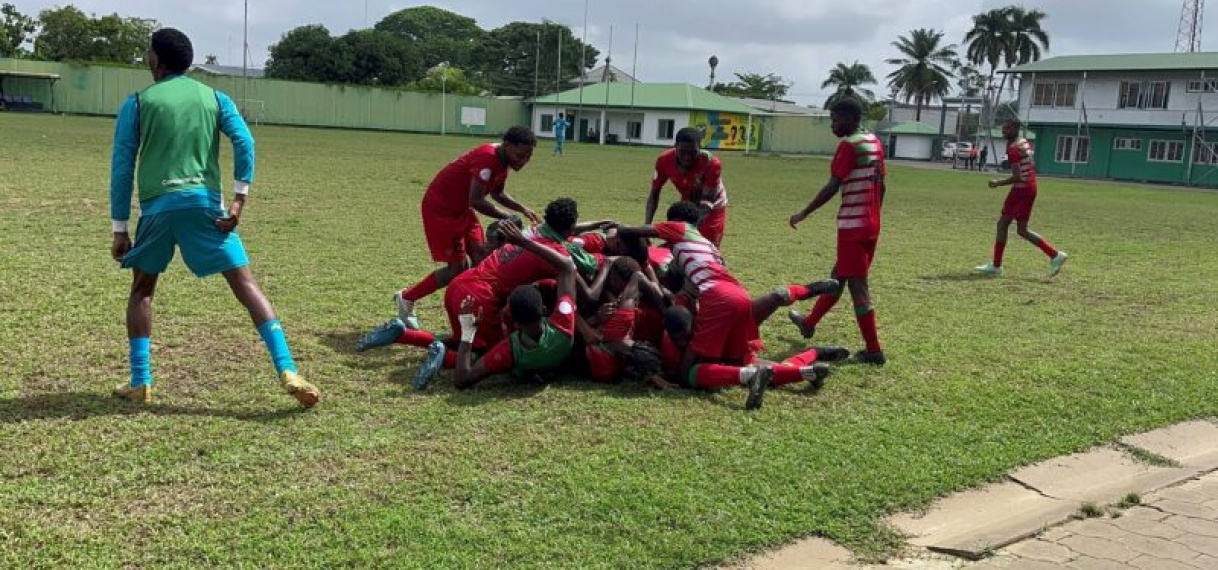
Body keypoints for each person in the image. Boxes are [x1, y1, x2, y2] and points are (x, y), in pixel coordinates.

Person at [108, 28, 319, 406]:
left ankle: (141, 380)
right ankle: (288, 368)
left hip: (158, 208)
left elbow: (122, 167)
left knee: (142, 290)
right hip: (206, 206)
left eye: (147, 52)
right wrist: (239, 199)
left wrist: (120, 228)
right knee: (245, 284)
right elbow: (245, 141)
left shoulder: (137, 102)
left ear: (156, 59)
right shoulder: (215, 97)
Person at [394, 126, 542, 330]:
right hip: (442, 210)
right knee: (457, 270)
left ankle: (481, 314)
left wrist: (522, 209)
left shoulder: (503, 160)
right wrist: (507, 216)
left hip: (461, 209)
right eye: (520, 155)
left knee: (482, 257)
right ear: (507, 145)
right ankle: (407, 298)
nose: (523, 161)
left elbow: (498, 194)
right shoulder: (488, 159)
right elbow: (477, 200)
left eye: (527, 157)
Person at [787, 97, 887, 366]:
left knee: (858, 286)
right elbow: (882, 184)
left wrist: (804, 213)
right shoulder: (874, 142)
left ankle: (874, 351)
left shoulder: (849, 145)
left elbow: (833, 185)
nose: (832, 125)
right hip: (871, 224)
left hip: (853, 226)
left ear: (851, 119)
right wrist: (874, 214)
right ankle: (809, 323)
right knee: (838, 276)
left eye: (835, 119)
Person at [451, 223, 582, 390]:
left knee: (479, 351)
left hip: (465, 286)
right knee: (548, 284)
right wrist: (525, 242)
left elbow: (462, 378)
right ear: (543, 310)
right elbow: (568, 267)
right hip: (561, 359)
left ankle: (416, 339)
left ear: (514, 322)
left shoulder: (510, 350)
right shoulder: (563, 325)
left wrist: (468, 331)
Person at [974, 120, 1068, 278]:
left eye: (1008, 129)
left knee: (1002, 224)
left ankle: (996, 266)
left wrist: (998, 183)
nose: (1004, 131)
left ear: (1015, 130)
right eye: (1003, 128)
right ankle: (1054, 255)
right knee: (1022, 230)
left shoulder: (1013, 148)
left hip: (1021, 190)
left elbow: (1017, 176)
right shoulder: (1024, 142)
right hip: (1030, 187)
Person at [645, 127, 730, 247]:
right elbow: (654, 195)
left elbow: (706, 204)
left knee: (707, 248)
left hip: (713, 209)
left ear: (700, 148)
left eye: (692, 152)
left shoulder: (711, 163)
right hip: (688, 203)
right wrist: (646, 228)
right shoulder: (664, 161)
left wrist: (686, 230)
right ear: (675, 146)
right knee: (678, 246)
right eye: (683, 152)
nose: (687, 157)